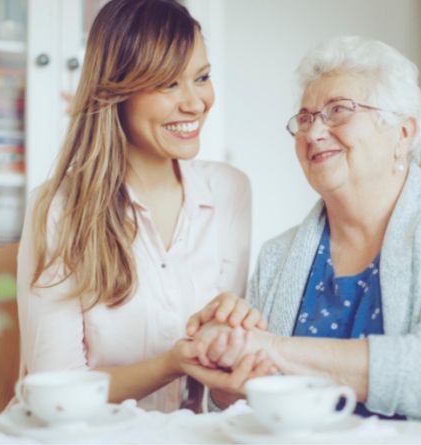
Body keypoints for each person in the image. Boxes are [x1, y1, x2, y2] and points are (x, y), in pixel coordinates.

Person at [185, 36, 421, 444]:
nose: (313, 132)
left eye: (337, 112)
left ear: (403, 132)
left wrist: (272, 349)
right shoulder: (278, 255)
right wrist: (228, 377)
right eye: (305, 117)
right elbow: (241, 404)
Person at [16, 0, 267, 413]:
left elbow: (222, 391)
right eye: (168, 84)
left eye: (201, 77)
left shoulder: (230, 190)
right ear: (116, 91)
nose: (195, 103)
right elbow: (53, 392)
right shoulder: (57, 207)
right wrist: (171, 363)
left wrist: (228, 350)